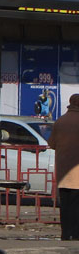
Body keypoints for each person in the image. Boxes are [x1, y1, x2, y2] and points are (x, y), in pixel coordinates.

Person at [48, 94, 79, 241]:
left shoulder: (60, 122)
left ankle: (66, 233)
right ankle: (77, 234)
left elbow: (51, 144)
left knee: (65, 206)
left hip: (63, 173)